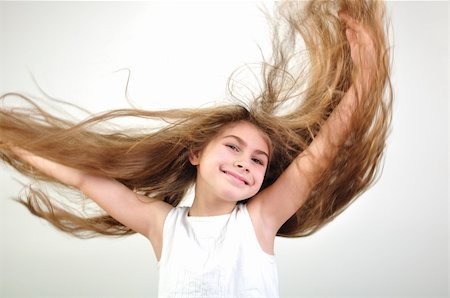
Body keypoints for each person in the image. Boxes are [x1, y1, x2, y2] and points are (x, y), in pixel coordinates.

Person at [0, 0, 392, 297]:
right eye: (233, 147)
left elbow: (322, 153)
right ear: (196, 153)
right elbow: (86, 178)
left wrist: (367, 74)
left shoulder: (259, 220)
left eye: (258, 160)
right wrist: (16, 146)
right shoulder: (163, 225)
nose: (244, 163)